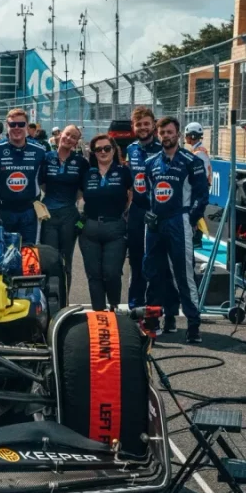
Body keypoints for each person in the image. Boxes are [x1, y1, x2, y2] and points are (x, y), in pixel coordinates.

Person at [140, 117, 208, 343]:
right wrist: (150, 215)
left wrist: (190, 219)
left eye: (170, 132)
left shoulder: (191, 161)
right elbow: (146, 194)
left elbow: (201, 195)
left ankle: (193, 325)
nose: (166, 136)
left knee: (184, 274)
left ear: (178, 134)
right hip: (156, 224)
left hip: (179, 221)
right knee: (153, 273)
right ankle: (152, 320)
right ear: (158, 135)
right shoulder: (150, 163)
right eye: (162, 132)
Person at [77, 134, 133, 311]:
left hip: (115, 227)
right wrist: (79, 223)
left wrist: (124, 216)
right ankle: (98, 311)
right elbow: (78, 197)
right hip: (89, 228)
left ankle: (114, 305)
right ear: (93, 153)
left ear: (114, 149)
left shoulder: (123, 171)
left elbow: (131, 196)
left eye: (106, 148)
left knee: (112, 273)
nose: (103, 152)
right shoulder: (87, 173)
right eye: (98, 149)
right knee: (94, 274)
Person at [0, 107, 47, 243]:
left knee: (29, 254)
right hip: (4, 211)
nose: (16, 128)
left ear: (27, 127)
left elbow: (44, 181)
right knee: (3, 255)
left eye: (21, 124)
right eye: (12, 124)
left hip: (29, 211)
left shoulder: (39, 151)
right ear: (7, 126)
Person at [38, 124, 86, 287]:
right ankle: (50, 300)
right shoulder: (46, 157)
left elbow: (82, 190)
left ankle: (64, 300)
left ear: (76, 142)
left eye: (73, 137)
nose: (69, 138)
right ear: (60, 135)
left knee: (66, 259)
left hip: (70, 216)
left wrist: (79, 219)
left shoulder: (80, 162)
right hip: (48, 214)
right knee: (49, 258)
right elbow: (42, 184)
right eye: (67, 134)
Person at [125, 106, 160, 310]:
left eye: (147, 123)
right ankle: (135, 306)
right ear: (134, 127)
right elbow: (131, 181)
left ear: (153, 124)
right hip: (137, 210)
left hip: (159, 211)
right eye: (139, 124)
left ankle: (155, 306)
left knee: (156, 261)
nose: (143, 127)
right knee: (136, 260)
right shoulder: (131, 149)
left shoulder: (163, 147)